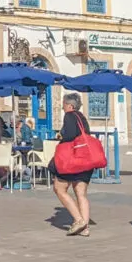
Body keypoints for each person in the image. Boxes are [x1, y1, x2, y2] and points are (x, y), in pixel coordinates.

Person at [50, 94, 93, 236]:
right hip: (85, 159)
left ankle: (79, 220)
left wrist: (61, 136)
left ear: (70, 105)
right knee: (81, 193)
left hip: (71, 160)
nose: (62, 106)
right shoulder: (82, 117)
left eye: (63, 104)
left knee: (59, 189)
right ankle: (85, 228)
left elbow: (69, 135)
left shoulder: (69, 116)